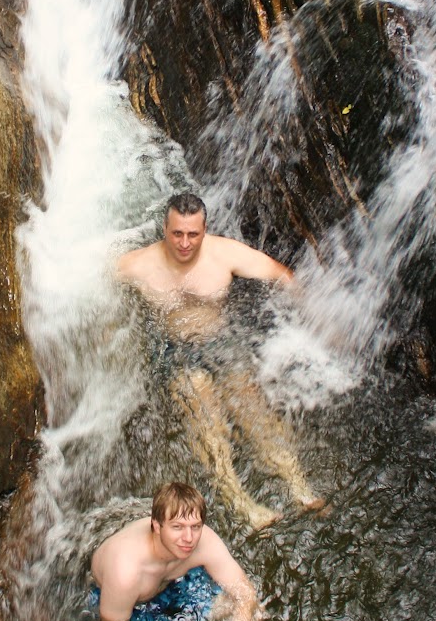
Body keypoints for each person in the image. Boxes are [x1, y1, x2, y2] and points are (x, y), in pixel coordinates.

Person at [116, 192, 323, 528]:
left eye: (193, 234)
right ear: (164, 229)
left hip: (221, 340)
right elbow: (89, 277)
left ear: (205, 229)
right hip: (174, 348)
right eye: (177, 234)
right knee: (203, 409)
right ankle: (240, 500)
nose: (184, 243)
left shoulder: (224, 253)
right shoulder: (139, 264)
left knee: (251, 404)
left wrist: (315, 317)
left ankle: (298, 485)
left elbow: (281, 275)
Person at [91, 481, 259, 621]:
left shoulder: (203, 542)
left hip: (171, 583)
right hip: (123, 603)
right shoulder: (126, 571)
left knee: (253, 612)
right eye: (178, 527)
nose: (189, 538)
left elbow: (245, 593)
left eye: (195, 526)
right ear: (157, 526)